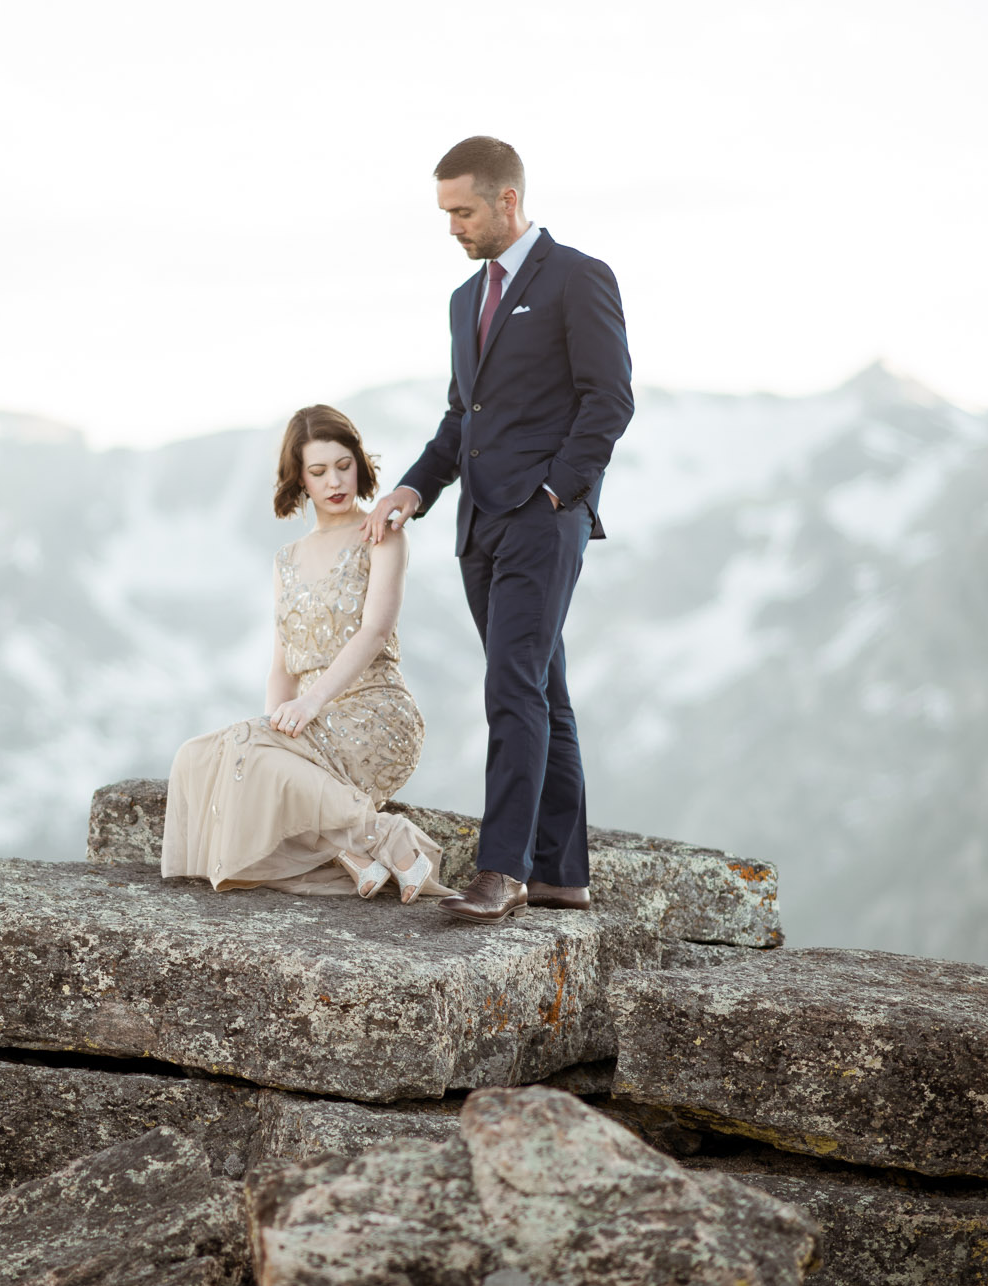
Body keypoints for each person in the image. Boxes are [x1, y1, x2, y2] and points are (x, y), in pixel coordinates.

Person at [364, 136, 634, 922]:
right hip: (478, 524)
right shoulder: (462, 301)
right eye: (445, 211)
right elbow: (463, 417)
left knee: (510, 683)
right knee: (541, 687)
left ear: (506, 201)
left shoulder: (577, 278)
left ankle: (503, 870)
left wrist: (558, 493)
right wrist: (415, 487)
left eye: (462, 210)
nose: (452, 225)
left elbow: (607, 400)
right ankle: (559, 874)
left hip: (543, 520)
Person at [162, 404, 453, 901]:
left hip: (376, 715)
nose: (335, 481)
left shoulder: (382, 536)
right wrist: (276, 728)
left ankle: (387, 838)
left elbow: (375, 632)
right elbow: (281, 666)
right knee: (198, 756)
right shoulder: (286, 560)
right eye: (318, 472)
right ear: (299, 480)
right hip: (309, 723)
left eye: (344, 465)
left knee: (245, 749)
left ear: (359, 463)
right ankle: (357, 848)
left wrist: (308, 705)